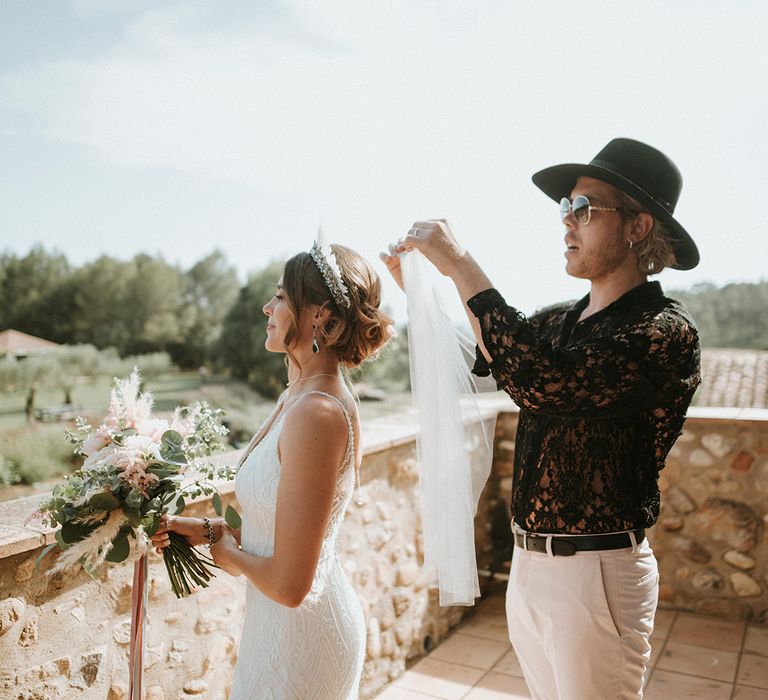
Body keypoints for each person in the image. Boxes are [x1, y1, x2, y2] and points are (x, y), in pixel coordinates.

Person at [381, 138, 701, 700]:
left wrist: (462, 262)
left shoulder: (664, 332)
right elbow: (490, 355)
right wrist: (428, 293)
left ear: (638, 227)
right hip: (529, 566)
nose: (567, 223)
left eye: (585, 208)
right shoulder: (559, 322)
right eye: (565, 208)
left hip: (598, 574)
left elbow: (542, 381)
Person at [151, 237, 393, 699]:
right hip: (274, 631)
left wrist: (230, 556)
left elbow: (290, 584)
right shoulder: (296, 398)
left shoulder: (316, 413)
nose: (267, 307)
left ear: (321, 315)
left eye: (281, 296)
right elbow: (285, 530)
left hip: (301, 641)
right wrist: (208, 531)